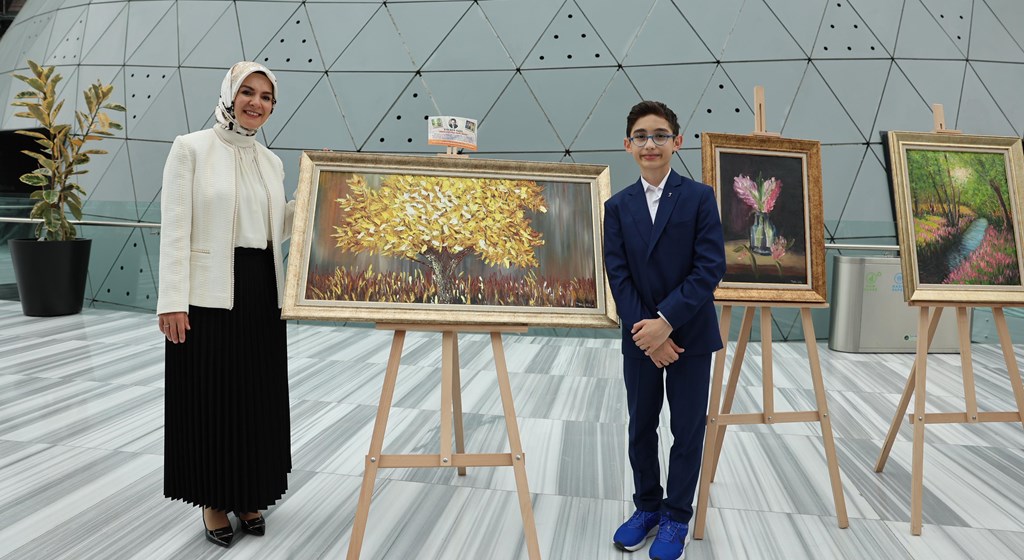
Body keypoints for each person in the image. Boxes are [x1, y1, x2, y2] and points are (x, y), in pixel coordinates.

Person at [157, 61, 294, 549]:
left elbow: (276, 225)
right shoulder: (190, 148)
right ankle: (215, 500)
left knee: (255, 394)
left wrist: (324, 197)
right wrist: (172, 300)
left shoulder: (272, 162)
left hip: (260, 290)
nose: (256, 102)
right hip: (208, 294)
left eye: (266, 97)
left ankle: (249, 493)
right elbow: (174, 227)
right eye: (248, 92)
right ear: (230, 94)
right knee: (211, 394)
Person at [603, 100, 726, 560]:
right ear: (628, 145)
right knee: (641, 426)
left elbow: (709, 267)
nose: (650, 143)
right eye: (641, 135)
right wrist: (647, 333)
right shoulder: (617, 207)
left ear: (677, 141)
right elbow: (618, 274)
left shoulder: (698, 197)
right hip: (640, 339)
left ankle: (676, 515)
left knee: (688, 428)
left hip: (689, 335)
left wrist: (667, 323)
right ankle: (647, 508)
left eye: (659, 135)